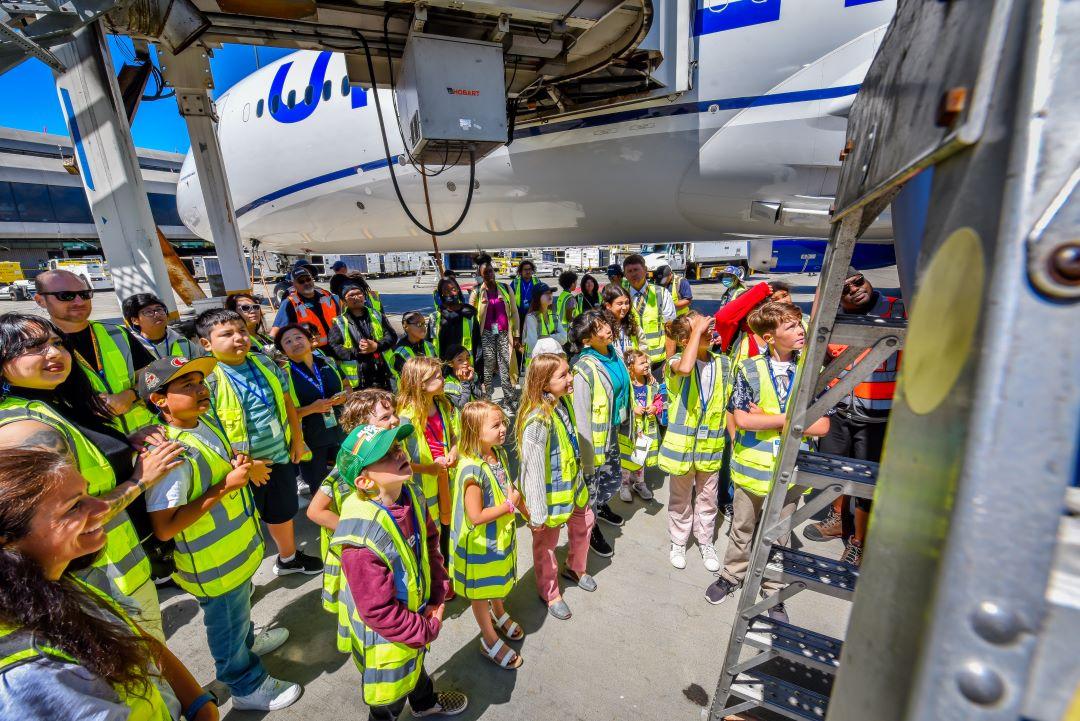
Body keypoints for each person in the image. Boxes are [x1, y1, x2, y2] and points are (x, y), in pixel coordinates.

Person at [0, 313, 184, 639]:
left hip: (124, 568)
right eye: (34, 347)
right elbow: (61, 525)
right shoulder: (26, 428)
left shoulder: (55, 402)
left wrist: (125, 444)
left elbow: (87, 466)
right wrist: (141, 479)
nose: (54, 353)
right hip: (100, 582)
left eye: (57, 343)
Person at [0, 449, 218, 721]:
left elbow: (141, 644)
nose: (103, 508)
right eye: (74, 506)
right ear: (7, 540)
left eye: (87, 493)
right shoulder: (26, 675)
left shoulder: (61, 579)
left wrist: (199, 705)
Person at [138, 356, 302, 711]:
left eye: (200, 382)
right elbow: (165, 529)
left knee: (239, 612)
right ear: (159, 399)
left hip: (236, 552)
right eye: (187, 386)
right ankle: (244, 684)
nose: (200, 390)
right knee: (225, 626)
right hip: (212, 563)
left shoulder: (203, 422)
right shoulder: (169, 452)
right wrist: (225, 487)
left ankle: (247, 644)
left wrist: (238, 466)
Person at [330, 424, 468, 720]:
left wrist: (438, 587)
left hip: (411, 620)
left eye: (397, 446)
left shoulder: (411, 494)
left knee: (415, 668)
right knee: (387, 700)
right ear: (365, 481)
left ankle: (423, 702)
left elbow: (430, 543)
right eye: (386, 454)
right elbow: (377, 611)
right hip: (387, 638)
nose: (399, 453)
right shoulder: (361, 540)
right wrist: (425, 630)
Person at [704, 302, 831, 618]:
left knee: (779, 532)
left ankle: (772, 591)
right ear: (769, 337)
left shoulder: (812, 371)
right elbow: (743, 420)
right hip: (752, 470)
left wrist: (772, 418)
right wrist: (792, 421)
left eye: (799, 323)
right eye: (790, 326)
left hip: (791, 472)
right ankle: (731, 575)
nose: (800, 330)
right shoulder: (748, 369)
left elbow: (823, 425)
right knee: (743, 527)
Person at [195, 308, 323, 576]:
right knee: (240, 522)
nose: (239, 338)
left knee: (282, 510)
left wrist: (297, 441)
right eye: (227, 334)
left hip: (277, 456)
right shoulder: (207, 378)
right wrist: (247, 465)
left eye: (242, 331)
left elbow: (287, 402)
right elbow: (207, 431)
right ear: (206, 344)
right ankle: (242, 575)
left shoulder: (264, 363)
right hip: (238, 468)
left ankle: (287, 559)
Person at [803, 269, 905, 567]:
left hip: (877, 416)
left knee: (866, 483)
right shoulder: (831, 317)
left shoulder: (898, 311)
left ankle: (859, 541)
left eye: (857, 282)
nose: (855, 290)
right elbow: (818, 357)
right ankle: (839, 521)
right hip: (839, 410)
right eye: (844, 290)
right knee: (835, 471)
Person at [307, 388, 399, 623]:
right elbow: (315, 511)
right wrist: (358, 531)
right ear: (363, 428)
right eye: (385, 417)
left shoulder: (391, 451)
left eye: (394, 413)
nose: (395, 420)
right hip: (360, 552)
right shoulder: (349, 466)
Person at [517, 353, 595, 620]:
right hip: (549, 500)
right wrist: (537, 513)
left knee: (585, 523)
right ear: (544, 384)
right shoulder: (537, 421)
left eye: (568, 372)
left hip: (573, 489)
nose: (570, 378)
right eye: (563, 375)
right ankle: (549, 592)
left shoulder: (562, 403)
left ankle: (575, 567)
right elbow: (533, 470)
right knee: (546, 547)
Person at [34, 269, 156, 433]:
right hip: (95, 444)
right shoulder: (34, 347)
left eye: (85, 294)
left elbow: (151, 373)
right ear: (40, 300)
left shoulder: (116, 333)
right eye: (65, 295)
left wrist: (131, 394)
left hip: (146, 433)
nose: (79, 301)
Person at [449, 401, 524, 670]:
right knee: (480, 594)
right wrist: (511, 506)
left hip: (497, 541)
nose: (503, 428)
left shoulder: (497, 455)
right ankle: (489, 638)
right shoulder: (471, 470)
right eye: (496, 425)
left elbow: (508, 487)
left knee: (495, 583)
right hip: (478, 547)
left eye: (503, 422)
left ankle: (500, 612)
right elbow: (476, 516)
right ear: (474, 431)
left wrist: (522, 508)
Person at [660, 312, 731, 572]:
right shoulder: (675, 362)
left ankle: (705, 540)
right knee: (680, 498)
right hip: (682, 447)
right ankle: (679, 541)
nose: (708, 332)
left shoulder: (723, 363)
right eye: (700, 331)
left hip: (710, 446)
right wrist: (697, 329)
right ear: (684, 340)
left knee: (708, 497)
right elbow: (686, 368)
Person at [568, 310, 630, 557]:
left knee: (613, 479)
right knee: (591, 486)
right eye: (598, 329)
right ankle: (589, 527)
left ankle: (600, 507)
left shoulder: (614, 353)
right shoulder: (583, 369)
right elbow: (581, 417)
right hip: (594, 441)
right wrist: (587, 460)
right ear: (586, 341)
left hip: (613, 430)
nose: (606, 329)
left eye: (605, 324)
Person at [396, 356, 460, 555]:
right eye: (437, 377)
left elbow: (453, 435)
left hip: (446, 481)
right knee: (429, 539)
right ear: (420, 384)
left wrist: (454, 450)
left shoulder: (442, 405)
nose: (443, 380)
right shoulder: (404, 418)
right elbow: (399, 463)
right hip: (422, 489)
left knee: (448, 530)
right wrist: (429, 469)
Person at [277, 324, 347, 495]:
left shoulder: (327, 362)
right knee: (321, 487)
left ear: (310, 340)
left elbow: (346, 385)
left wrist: (345, 397)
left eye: (299, 337)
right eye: (288, 341)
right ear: (283, 351)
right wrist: (312, 408)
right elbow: (283, 412)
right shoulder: (282, 374)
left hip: (340, 431)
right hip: (310, 440)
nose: (295, 343)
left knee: (347, 477)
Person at [327, 283, 396, 390]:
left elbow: (392, 336)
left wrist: (376, 346)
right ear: (344, 301)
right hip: (359, 380)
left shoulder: (377, 315)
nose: (356, 297)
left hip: (383, 373)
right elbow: (334, 348)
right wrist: (357, 351)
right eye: (351, 295)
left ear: (364, 296)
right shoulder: (339, 322)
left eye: (359, 294)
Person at [470, 261, 520, 409]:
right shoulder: (476, 291)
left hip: (504, 333)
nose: (490, 274)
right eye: (486, 272)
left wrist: (516, 334)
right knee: (489, 364)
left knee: (505, 364)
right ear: (481, 275)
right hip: (486, 333)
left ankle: (509, 398)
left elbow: (514, 312)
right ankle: (488, 397)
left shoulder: (505, 288)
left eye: (491, 271)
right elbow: (471, 316)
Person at [622, 254, 675, 377]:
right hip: (630, 365)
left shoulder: (661, 294)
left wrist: (670, 361)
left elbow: (670, 329)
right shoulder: (621, 296)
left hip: (657, 364)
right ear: (625, 275)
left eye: (636, 269)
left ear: (645, 270)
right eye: (629, 271)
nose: (633, 274)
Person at [619, 348, 661, 503]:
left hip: (645, 430)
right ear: (630, 367)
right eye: (642, 363)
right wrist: (632, 410)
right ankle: (624, 485)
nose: (646, 365)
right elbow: (620, 405)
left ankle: (639, 483)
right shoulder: (626, 385)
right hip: (630, 429)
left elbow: (659, 399)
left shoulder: (651, 383)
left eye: (647, 362)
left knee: (640, 458)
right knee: (626, 457)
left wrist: (656, 407)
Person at [271, 260, 342, 347]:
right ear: (294, 284)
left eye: (308, 278)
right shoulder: (290, 301)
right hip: (313, 350)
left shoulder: (325, 294)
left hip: (337, 346)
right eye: (301, 281)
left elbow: (340, 317)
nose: (306, 283)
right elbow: (277, 329)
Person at [122, 293, 203, 359]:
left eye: (159, 309)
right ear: (135, 320)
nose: (157, 314)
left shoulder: (184, 342)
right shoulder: (129, 347)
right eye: (148, 312)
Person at [430, 278, 482, 377]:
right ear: (441, 294)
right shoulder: (434, 318)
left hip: (465, 369)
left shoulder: (469, 315)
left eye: (453, 289)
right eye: (445, 291)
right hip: (442, 370)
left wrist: (478, 371)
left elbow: (478, 345)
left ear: (458, 290)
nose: (450, 293)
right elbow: (430, 343)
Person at [390, 311, 438, 387]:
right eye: (419, 324)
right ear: (406, 326)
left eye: (424, 324)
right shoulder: (400, 352)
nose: (423, 327)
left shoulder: (429, 346)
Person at [225, 293, 278, 359]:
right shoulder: (238, 343)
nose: (253, 311)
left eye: (256, 307)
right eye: (245, 308)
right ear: (233, 313)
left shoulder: (265, 338)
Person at [522, 282, 567, 360]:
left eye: (550, 293)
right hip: (536, 363)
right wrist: (555, 337)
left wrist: (546, 337)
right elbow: (533, 344)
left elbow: (564, 338)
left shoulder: (554, 315)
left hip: (552, 360)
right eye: (546, 293)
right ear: (537, 297)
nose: (550, 295)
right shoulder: (531, 318)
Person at [601, 283, 645, 357]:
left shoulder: (633, 324)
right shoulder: (601, 328)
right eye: (620, 304)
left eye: (627, 303)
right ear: (608, 305)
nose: (624, 307)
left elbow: (643, 349)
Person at [442, 343, 482, 411]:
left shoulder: (472, 375)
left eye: (467, 358)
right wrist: (465, 382)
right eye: (460, 360)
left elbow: (480, 397)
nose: (466, 362)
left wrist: (470, 381)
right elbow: (463, 407)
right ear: (451, 363)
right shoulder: (448, 384)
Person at [510, 259, 537, 329]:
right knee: (520, 334)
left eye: (529, 269)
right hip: (519, 315)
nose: (528, 271)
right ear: (521, 271)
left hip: (533, 314)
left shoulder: (537, 281)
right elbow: (508, 297)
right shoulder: (515, 282)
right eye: (525, 269)